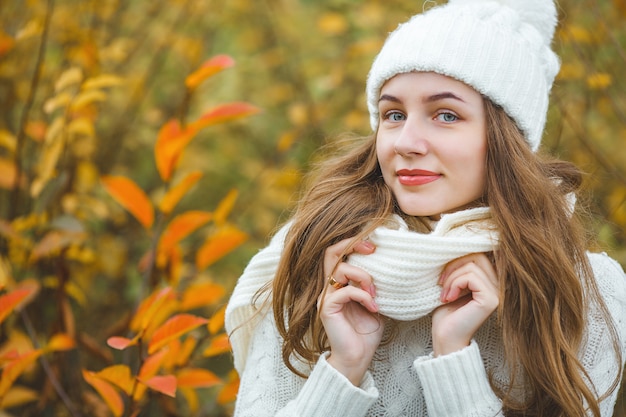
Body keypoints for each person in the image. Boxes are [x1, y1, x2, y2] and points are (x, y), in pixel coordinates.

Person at [225, 0, 626, 415]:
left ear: (508, 140)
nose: (405, 142)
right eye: (393, 114)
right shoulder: (319, 260)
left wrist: (455, 361)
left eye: (446, 115)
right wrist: (343, 369)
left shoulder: (584, 289)